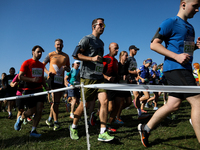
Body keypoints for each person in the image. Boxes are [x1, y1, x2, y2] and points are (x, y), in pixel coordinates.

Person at [138, 0, 200, 147]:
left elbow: (185, 51)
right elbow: (154, 44)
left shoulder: (190, 27)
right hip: (175, 68)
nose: (197, 10)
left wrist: (195, 47)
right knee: (197, 101)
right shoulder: (170, 22)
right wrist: (177, 57)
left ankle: (145, 129)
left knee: (173, 105)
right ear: (184, 4)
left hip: (184, 68)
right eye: (195, 6)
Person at [69, 18, 114, 142]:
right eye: (100, 24)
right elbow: (75, 55)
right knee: (84, 104)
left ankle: (102, 132)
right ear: (93, 26)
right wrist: (91, 59)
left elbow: (97, 59)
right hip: (88, 78)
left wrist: (105, 60)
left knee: (104, 101)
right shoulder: (86, 39)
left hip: (99, 77)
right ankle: (74, 126)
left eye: (104, 25)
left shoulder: (101, 43)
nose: (103, 27)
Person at [14, 45, 48, 138]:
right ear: (33, 52)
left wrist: (46, 87)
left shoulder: (41, 65)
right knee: (31, 111)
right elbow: (20, 76)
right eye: (38, 52)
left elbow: (42, 79)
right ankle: (21, 118)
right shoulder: (26, 62)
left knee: (39, 109)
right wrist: (32, 80)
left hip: (39, 89)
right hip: (29, 90)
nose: (40, 54)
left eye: (41, 52)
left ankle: (33, 130)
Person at [43, 39, 70, 131]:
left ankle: (49, 119)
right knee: (55, 102)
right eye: (57, 44)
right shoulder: (50, 54)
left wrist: (67, 68)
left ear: (63, 45)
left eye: (61, 44)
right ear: (55, 45)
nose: (59, 46)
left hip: (60, 80)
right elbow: (42, 65)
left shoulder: (66, 56)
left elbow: (69, 69)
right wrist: (47, 72)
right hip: (52, 80)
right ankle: (56, 122)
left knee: (56, 102)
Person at [127, 45, 149, 119]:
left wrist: (136, 76)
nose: (136, 51)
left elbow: (134, 70)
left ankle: (139, 113)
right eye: (135, 50)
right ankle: (116, 115)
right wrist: (133, 74)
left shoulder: (134, 59)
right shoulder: (128, 58)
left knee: (136, 95)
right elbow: (126, 69)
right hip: (128, 80)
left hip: (134, 80)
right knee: (124, 100)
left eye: (136, 50)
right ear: (130, 50)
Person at [103, 42, 121, 128]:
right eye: (115, 48)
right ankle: (96, 114)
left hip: (115, 84)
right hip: (107, 84)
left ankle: (109, 123)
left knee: (118, 104)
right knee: (110, 108)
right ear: (109, 48)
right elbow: (100, 72)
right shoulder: (105, 58)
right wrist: (107, 78)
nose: (117, 50)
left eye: (118, 48)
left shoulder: (116, 61)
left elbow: (116, 73)